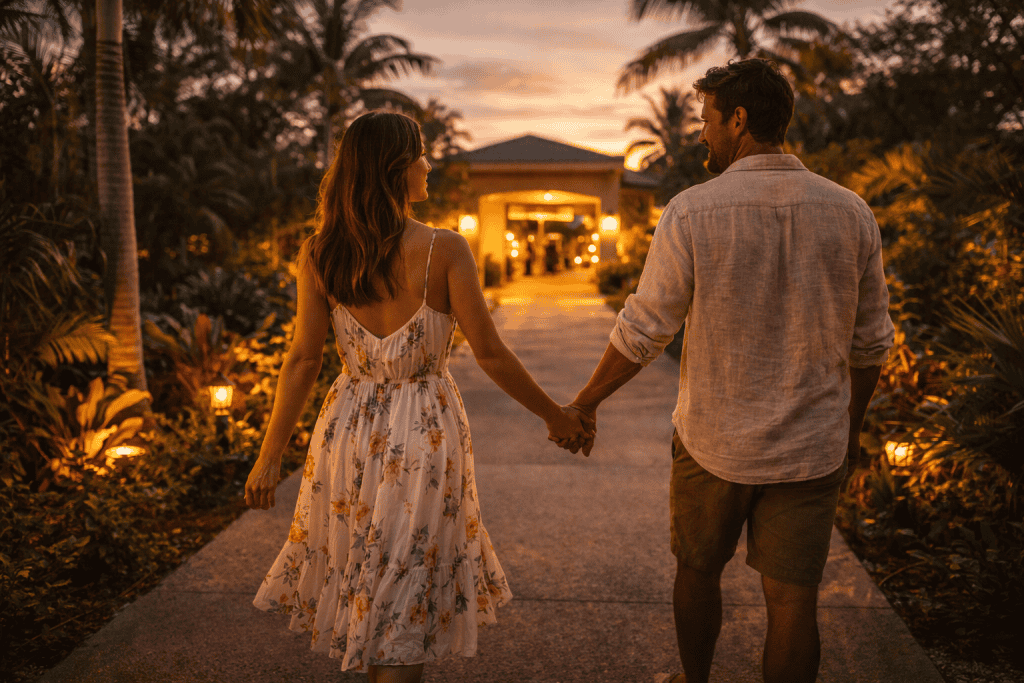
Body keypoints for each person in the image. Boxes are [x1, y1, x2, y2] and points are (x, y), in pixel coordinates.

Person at [557, 59, 895, 683]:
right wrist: (847, 430)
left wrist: (585, 402)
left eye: (708, 121)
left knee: (696, 571)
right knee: (794, 601)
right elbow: (872, 345)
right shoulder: (851, 213)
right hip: (810, 450)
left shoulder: (692, 212)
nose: (702, 135)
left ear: (739, 121)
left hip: (714, 442)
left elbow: (645, 328)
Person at [245, 111, 590, 683]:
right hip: (423, 431)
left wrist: (270, 454)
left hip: (348, 431)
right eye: (420, 154)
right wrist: (559, 417)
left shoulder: (320, 252)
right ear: (394, 168)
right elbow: (491, 353)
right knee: (405, 589)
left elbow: (303, 359)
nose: (428, 164)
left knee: (369, 579)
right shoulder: (444, 249)